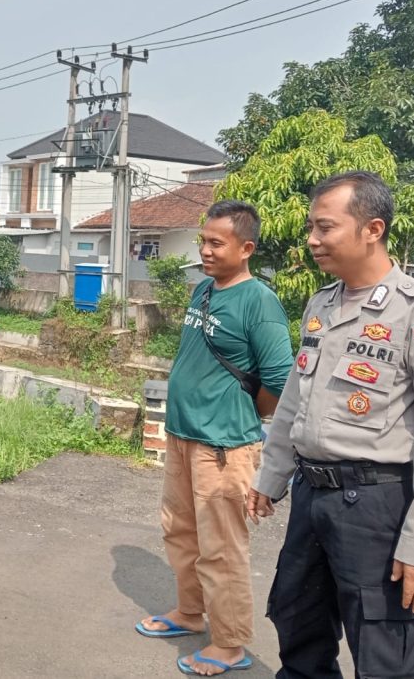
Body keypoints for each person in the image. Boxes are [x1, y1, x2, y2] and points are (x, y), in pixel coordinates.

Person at [248, 171, 414, 679]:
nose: (312, 240)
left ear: (372, 229)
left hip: (378, 507)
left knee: (387, 655)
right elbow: (295, 398)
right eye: (311, 228)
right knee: (297, 625)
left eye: (325, 228)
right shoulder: (321, 304)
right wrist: (270, 478)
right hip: (312, 496)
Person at [135, 200, 294, 676]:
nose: (204, 250)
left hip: (224, 447)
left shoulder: (258, 301)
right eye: (203, 240)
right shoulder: (204, 290)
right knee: (180, 532)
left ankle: (229, 643)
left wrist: (245, 417)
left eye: (215, 243)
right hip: (183, 437)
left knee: (222, 548)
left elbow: (280, 380)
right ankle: (189, 612)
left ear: (245, 248)